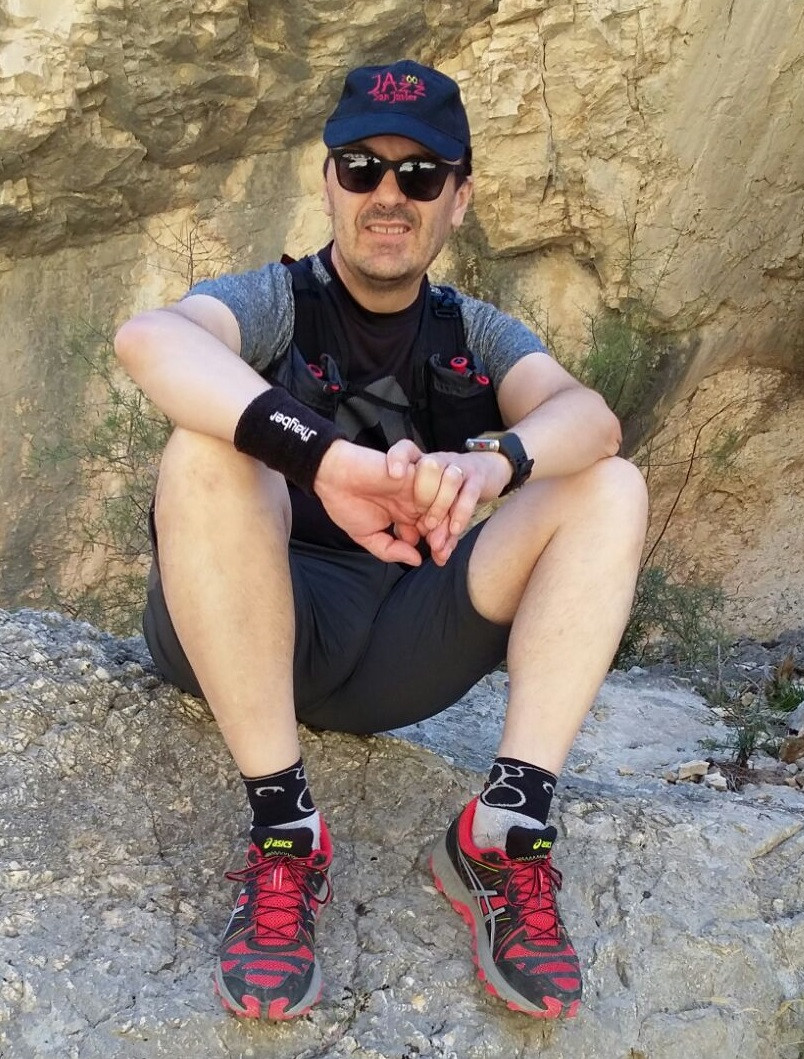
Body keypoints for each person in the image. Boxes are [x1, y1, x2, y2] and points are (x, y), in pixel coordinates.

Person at [115, 58, 648, 1022]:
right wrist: (321, 459)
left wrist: (493, 464)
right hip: (236, 629)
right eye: (361, 167)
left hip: (396, 646)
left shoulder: (471, 333)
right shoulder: (277, 301)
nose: (388, 194)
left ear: (459, 198)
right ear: (328, 182)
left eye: (420, 173)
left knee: (609, 485)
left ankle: (502, 831)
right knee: (205, 450)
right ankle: (286, 833)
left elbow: (590, 419)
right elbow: (150, 341)